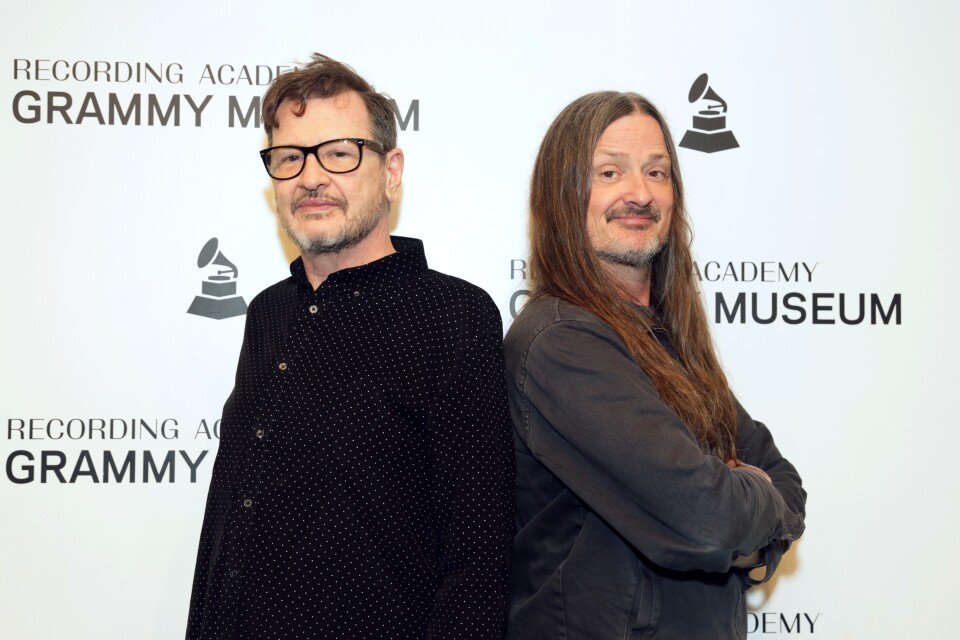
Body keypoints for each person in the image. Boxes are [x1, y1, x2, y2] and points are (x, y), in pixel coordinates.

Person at [186, 53, 515, 640]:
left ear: (391, 171)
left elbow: (481, 558)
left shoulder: (454, 316)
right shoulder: (267, 312)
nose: (311, 178)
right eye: (289, 158)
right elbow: (227, 526)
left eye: (338, 153)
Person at [504, 92, 806, 639]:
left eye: (657, 172)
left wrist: (747, 502)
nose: (639, 193)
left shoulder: (669, 336)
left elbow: (785, 481)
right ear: (562, 194)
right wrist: (742, 513)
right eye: (610, 172)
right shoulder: (561, 343)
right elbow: (706, 519)